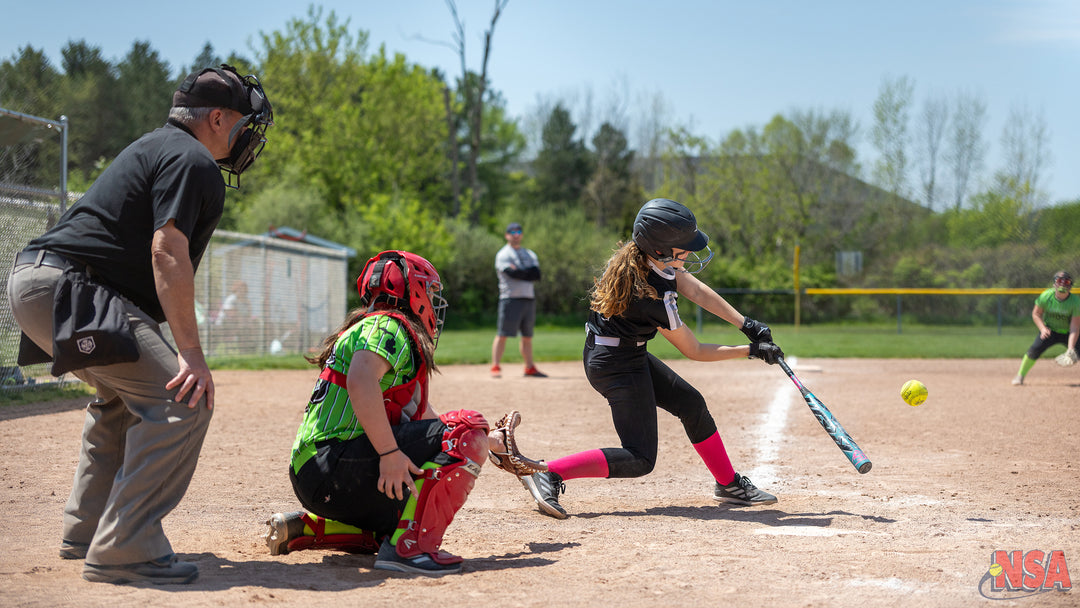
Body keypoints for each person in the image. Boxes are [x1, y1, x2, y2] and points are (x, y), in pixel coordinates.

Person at [6, 64, 273, 584]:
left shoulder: (160, 146)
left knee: (123, 400)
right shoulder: (192, 159)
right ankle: (125, 547)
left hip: (44, 283)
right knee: (182, 398)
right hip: (69, 289)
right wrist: (191, 355)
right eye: (244, 125)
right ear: (217, 118)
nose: (248, 138)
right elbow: (167, 250)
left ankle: (86, 532)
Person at [517, 198, 784, 519]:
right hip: (614, 365)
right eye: (683, 248)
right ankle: (547, 472)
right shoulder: (653, 298)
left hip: (622, 352)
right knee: (640, 457)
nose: (689, 253)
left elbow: (696, 290)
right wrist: (751, 351)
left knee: (691, 404)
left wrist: (747, 324)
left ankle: (728, 484)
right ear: (660, 250)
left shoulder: (642, 260)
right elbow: (694, 350)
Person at [264, 250, 509, 576]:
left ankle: (312, 529)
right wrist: (391, 453)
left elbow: (426, 423)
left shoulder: (370, 325)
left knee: (412, 507)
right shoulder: (390, 326)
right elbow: (361, 379)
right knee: (465, 427)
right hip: (334, 465)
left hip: (318, 472)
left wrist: (489, 443)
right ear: (412, 291)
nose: (434, 303)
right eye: (430, 292)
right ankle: (411, 550)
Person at [491, 222, 546, 378]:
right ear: (507, 235)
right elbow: (511, 273)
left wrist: (521, 272)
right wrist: (525, 273)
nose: (516, 234)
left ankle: (529, 367)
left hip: (528, 298)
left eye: (518, 231)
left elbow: (537, 275)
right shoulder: (503, 254)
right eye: (512, 232)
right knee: (502, 333)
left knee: (527, 336)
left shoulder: (530, 253)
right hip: (510, 298)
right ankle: (495, 366)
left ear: (521, 234)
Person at [1012, 270, 1080, 385]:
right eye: (1059, 280)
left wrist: (1070, 348)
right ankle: (1020, 376)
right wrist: (1043, 328)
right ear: (1054, 283)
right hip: (1050, 330)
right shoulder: (1046, 296)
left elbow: (1075, 327)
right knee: (1034, 350)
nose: (1063, 284)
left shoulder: (1076, 302)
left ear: (1070, 285)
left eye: (1066, 281)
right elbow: (1036, 314)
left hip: (1069, 332)